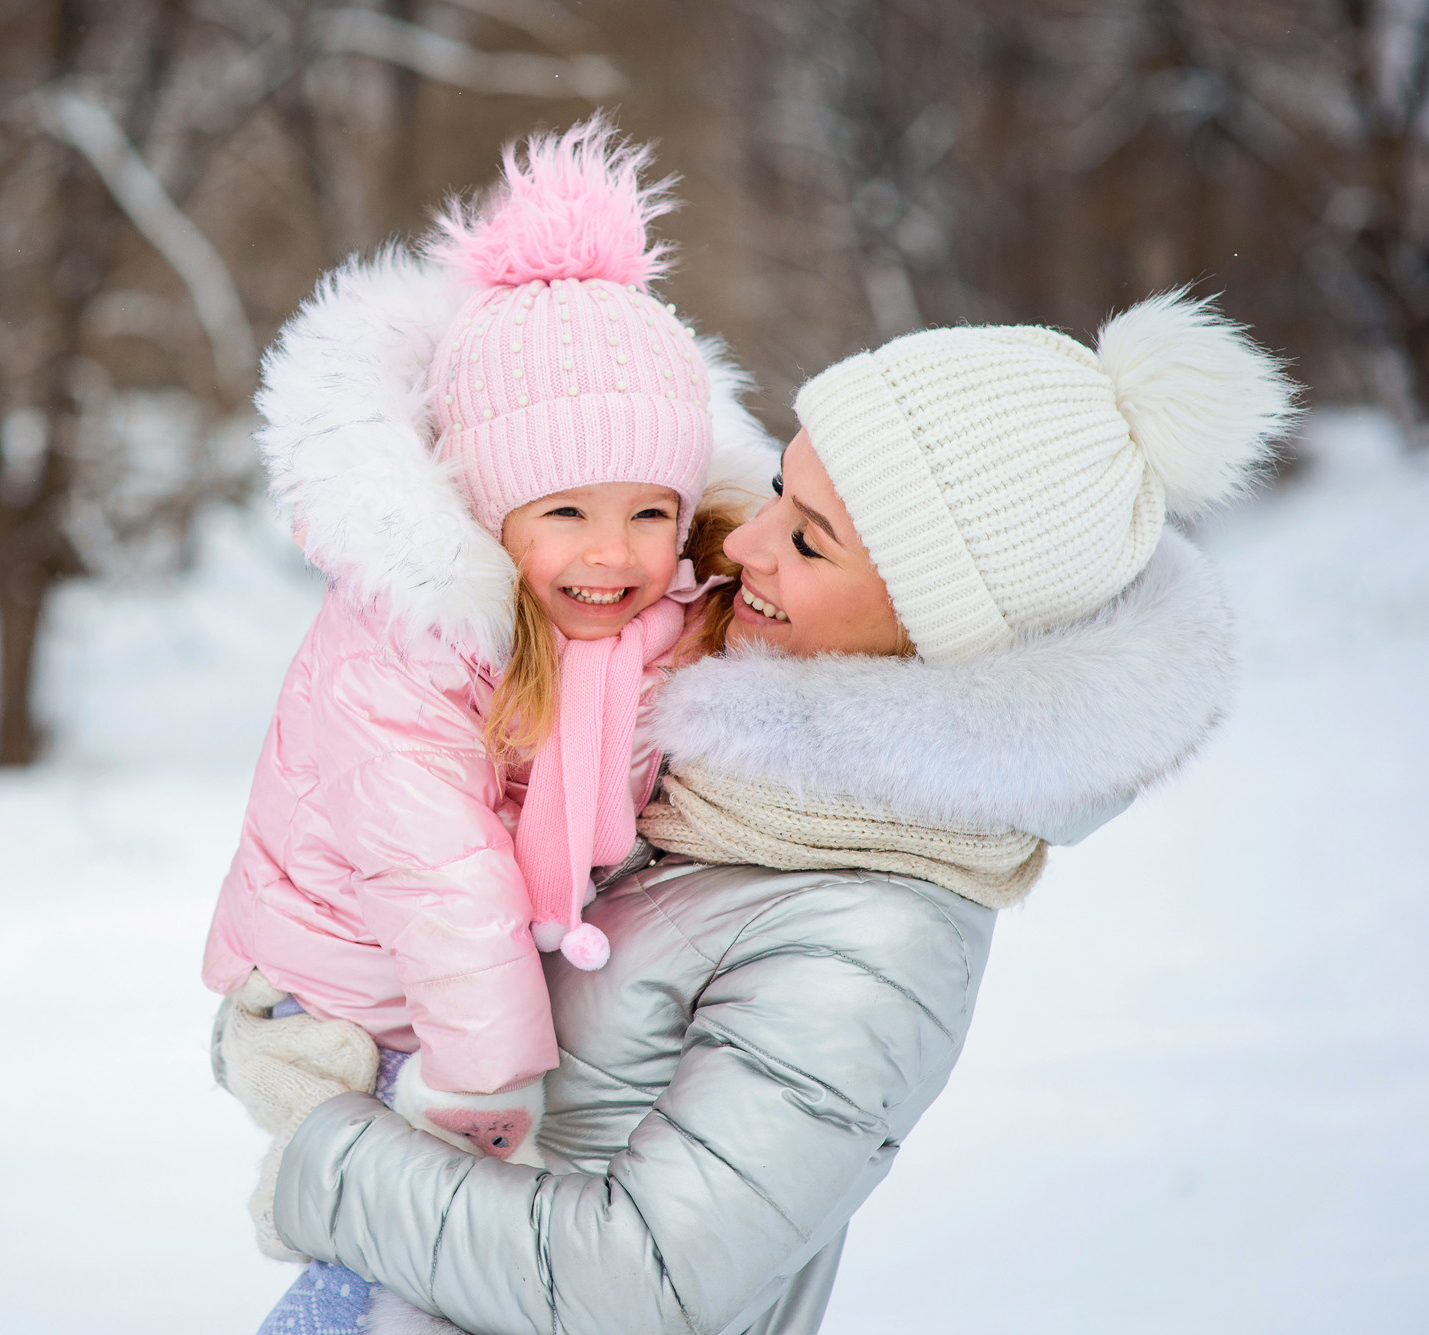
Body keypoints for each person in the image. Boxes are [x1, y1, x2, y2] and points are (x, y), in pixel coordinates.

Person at [220, 289, 1297, 1334]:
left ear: (936, 629)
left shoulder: (876, 940)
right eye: (778, 486)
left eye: (809, 538)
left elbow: (638, 1285)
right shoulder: (713, 770)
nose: (739, 544)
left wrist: (328, 1156)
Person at [200, 120, 776, 1266]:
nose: (612, 553)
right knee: (408, 1262)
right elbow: (438, 870)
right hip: (337, 1013)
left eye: (647, 511)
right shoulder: (407, 647)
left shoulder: (648, 620)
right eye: (564, 512)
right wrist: (489, 1079)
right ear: (483, 515)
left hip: (447, 999)